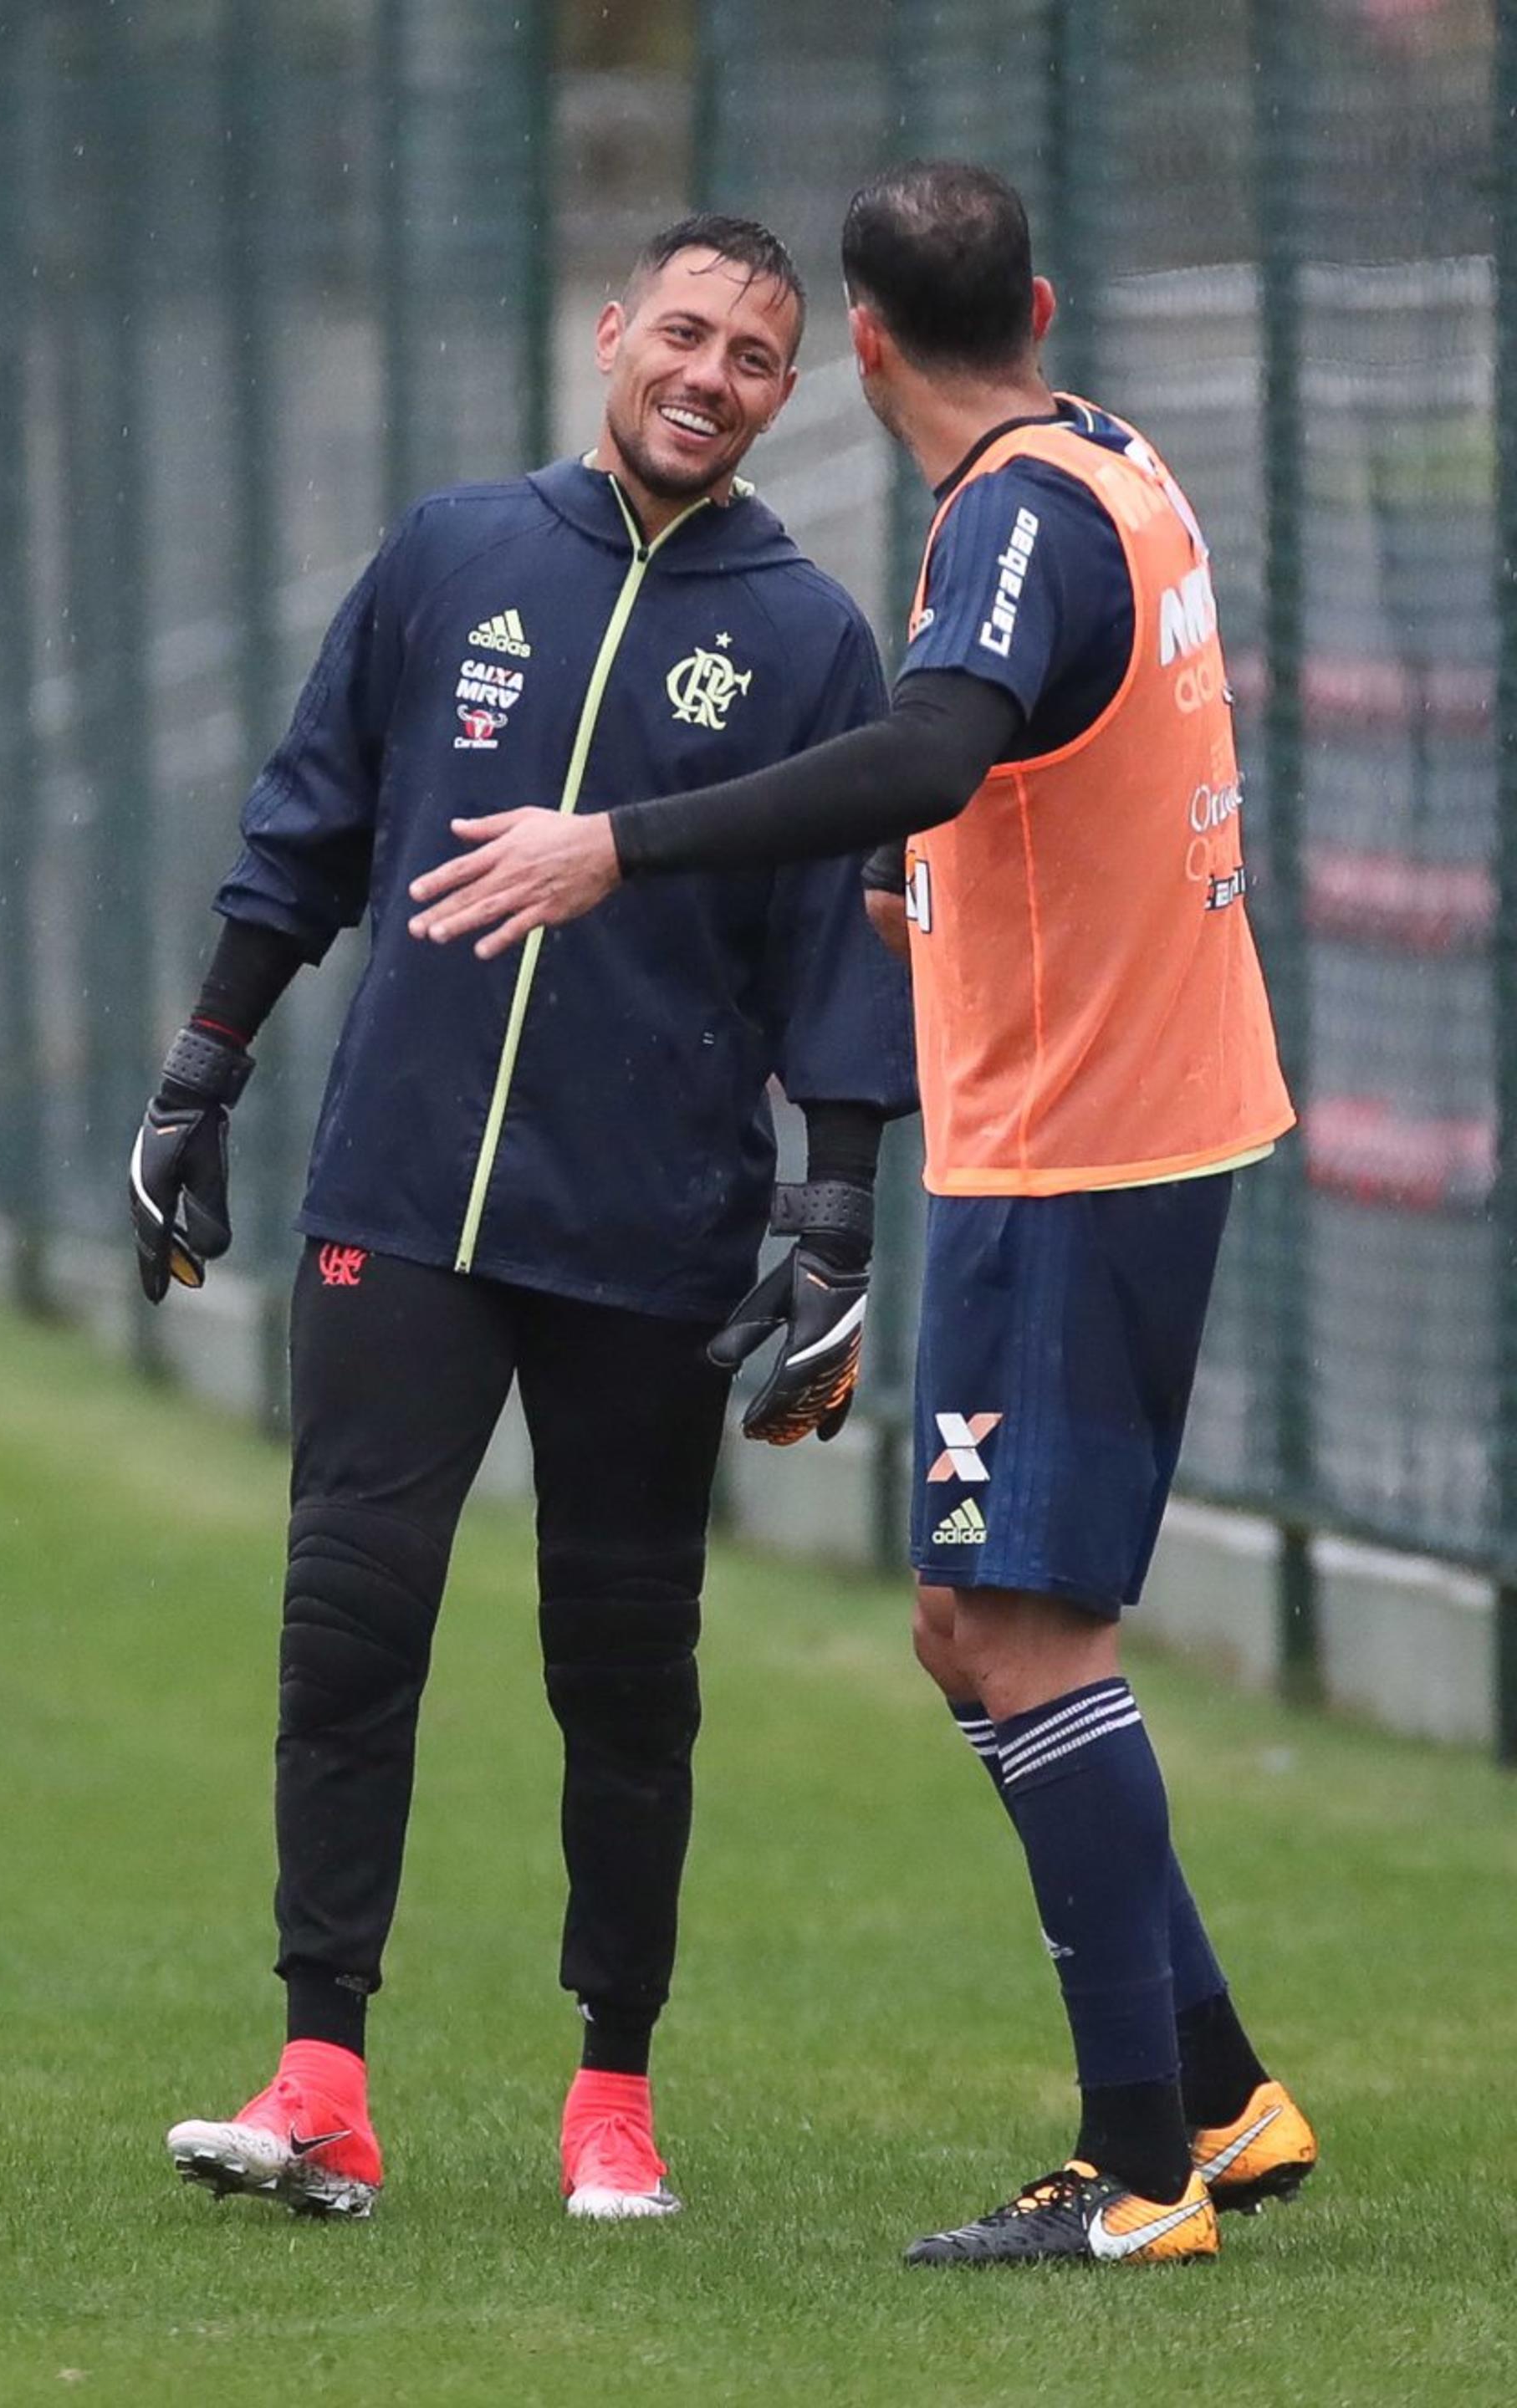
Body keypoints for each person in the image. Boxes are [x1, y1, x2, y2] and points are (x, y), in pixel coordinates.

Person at [405, 161, 1318, 2270]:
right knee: (962, 1623)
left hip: (1085, 1145)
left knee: (1022, 1630)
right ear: (1049, 305)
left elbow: (931, 748)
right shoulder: (1114, 457)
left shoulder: (1008, 513)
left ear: (868, 351)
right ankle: (1220, 2092)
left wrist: (617, 846)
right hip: (1128, 1110)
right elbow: (1026, 776)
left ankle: (1138, 2176)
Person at [130, 214, 916, 2222]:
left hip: (647, 1237)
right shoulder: (453, 550)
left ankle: (613, 2102)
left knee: (624, 1670)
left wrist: (834, 1222)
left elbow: (840, 945)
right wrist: (202, 1069)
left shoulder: (816, 638)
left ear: (785, 393)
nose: (709, 372)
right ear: (610, 335)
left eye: (755, 353)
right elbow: (307, 822)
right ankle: (321, 2077)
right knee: (348, 1625)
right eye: (683, 330)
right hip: (395, 1200)